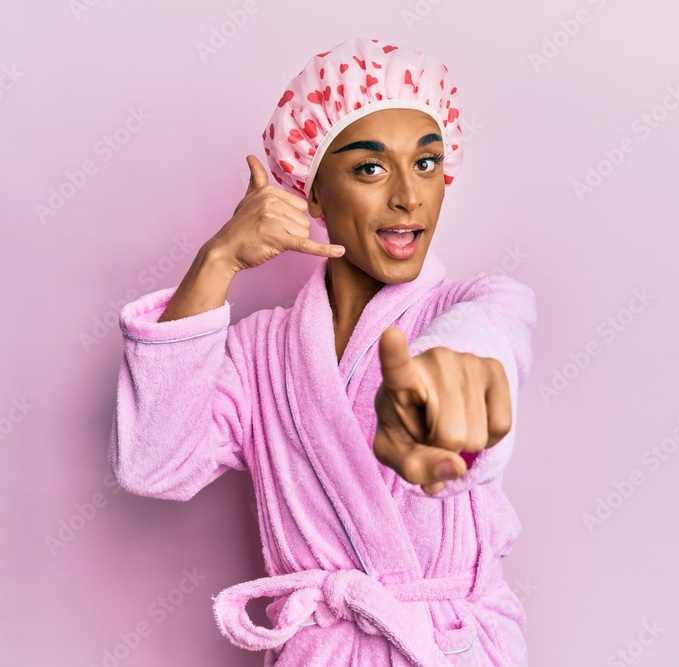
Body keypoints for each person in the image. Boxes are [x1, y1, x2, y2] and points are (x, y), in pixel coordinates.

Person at [108, 37, 537, 666]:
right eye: (371, 169)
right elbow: (152, 463)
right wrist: (218, 260)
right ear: (312, 193)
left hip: (451, 648)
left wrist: (452, 392)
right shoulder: (260, 354)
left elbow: (486, 342)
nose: (409, 195)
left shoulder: (477, 304)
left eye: (426, 163)